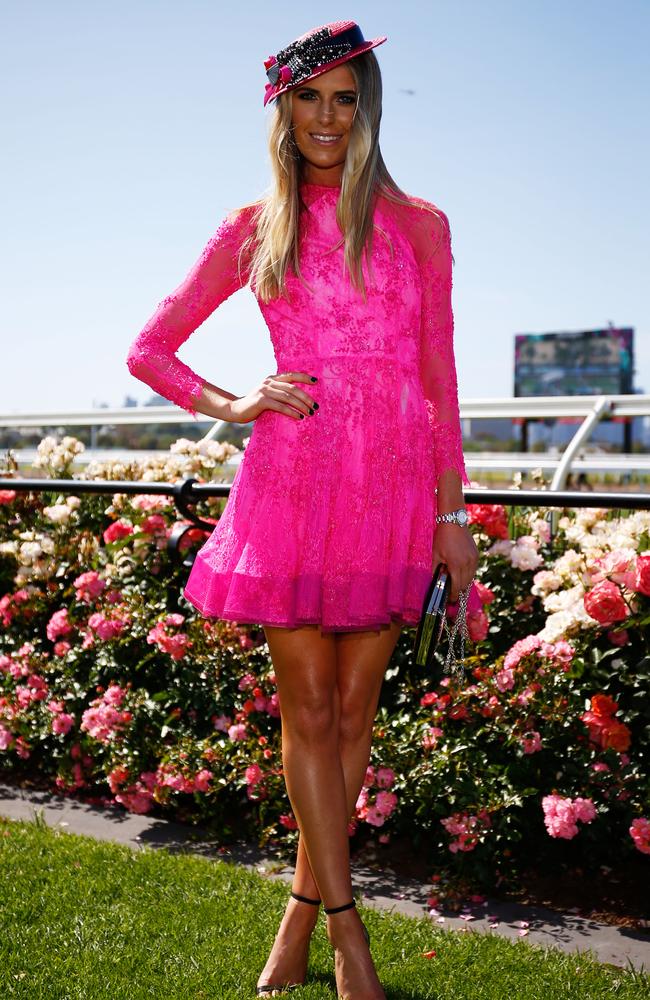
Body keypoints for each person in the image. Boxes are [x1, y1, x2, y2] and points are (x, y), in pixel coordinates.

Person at [126, 19, 480, 999]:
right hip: (291, 481)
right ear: (281, 110)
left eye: (344, 97)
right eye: (309, 98)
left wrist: (452, 513)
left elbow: (438, 378)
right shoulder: (252, 225)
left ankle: (294, 914)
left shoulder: (421, 224)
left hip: (395, 485)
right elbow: (149, 349)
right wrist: (235, 402)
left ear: (364, 107)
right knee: (308, 708)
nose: (328, 117)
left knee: (353, 711)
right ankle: (346, 933)